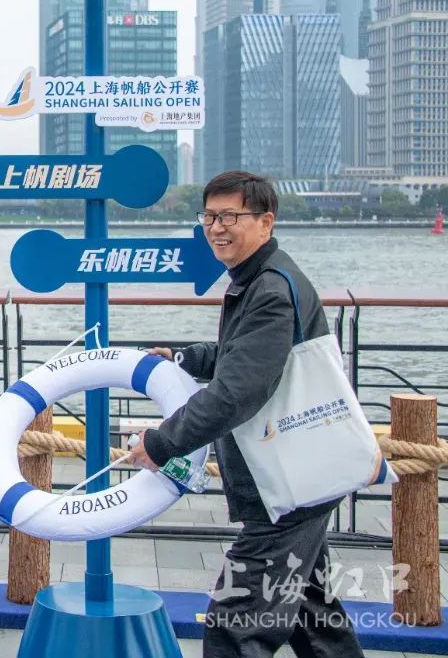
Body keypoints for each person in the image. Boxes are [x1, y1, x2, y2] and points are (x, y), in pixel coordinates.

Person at [127, 171, 364, 658]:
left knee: (235, 624)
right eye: (210, 216)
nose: (217, 227)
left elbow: (238, 391)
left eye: (230, 216)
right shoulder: (260, 278)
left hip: (289, 484)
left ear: (265, 221)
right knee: (312, 616)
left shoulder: (270, 289)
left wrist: (162, 443)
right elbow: (244, 355)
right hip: (304, 473)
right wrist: (185, 358)